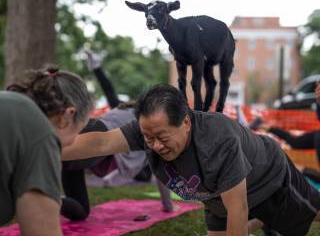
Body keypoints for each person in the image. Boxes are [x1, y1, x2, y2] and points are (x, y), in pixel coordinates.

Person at [62, 83, 320, 236]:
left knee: (313, 215)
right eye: (148, 138)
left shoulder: (218, 141)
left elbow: (237, 208)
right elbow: (101, 142)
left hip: (267, 179)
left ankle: (266, 215)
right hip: (215, 194)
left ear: (185, 122)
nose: (155, 145)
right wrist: (45, 148)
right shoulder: (150, 128)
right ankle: (263, 218)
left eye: (162, 137)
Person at [61, 51, 174, 221]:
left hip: (93, 139)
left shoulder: (129, 113)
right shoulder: (145, 121)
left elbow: (109, 90)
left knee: (80, 213)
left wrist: (97, 67)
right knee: (51, 154)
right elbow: (160, 172)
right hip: (97, 136)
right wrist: (169, 206)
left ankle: (38, 197)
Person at [1, 66, 93, 236]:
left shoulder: (12, 107)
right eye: (79, 131)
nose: (74, 141)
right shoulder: (41, 132)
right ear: (67, 116)